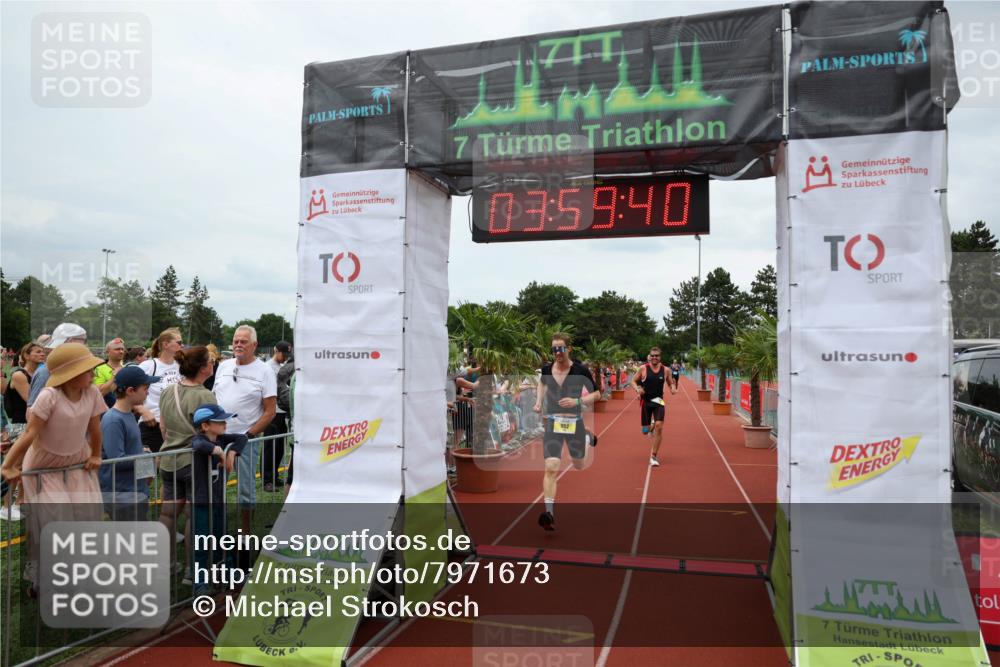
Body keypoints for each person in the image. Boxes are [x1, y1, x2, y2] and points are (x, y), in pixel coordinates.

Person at [0, 343, 106, 593]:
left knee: (87, 516)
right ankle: (44, 579)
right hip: (43, 467)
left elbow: (95, 429)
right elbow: (29, 434)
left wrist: (96, 455)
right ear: (71, 373)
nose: (93, 373)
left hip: (76, 462)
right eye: (88, 368)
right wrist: (8, 465)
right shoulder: (49, 396)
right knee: (53, 522)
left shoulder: (92, 393)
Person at [158, 346, 216, 570]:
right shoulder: (204, 395)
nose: (213, 364)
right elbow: (212, 432)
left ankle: (168, 563)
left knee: (167, 513)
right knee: (194, 515)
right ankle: (194, 570)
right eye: (210, 361)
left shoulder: (167, 391)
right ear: (203, 368)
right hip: (193, 462)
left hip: (169, 459)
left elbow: (163, 426)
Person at [532, 333, 598, 532]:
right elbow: (542, 383)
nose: (557, 352)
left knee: (578, 464)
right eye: (554, 349)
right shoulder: (546, 369)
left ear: (569, 348)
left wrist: (577, 401)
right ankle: (549, 513)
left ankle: (586, 437)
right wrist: (538, 402)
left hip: (574, 423)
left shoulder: (580, 370)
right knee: (551, 466)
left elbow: (597, 393)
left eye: (560, 348)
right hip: (553, 423)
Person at [213, 325, 276, 517]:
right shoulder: (223, 366)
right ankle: (218, 530)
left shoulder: (265, 371)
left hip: (245, 440)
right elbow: (214, 398)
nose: (238, 345)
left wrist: (249, 435)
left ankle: (245, 536)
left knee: (245, 492)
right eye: (235, 341)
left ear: (254, 345)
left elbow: (270, 411)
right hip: (218, 438)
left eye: (243, 342)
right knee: (214, 488)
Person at [190, 403, 248, 595]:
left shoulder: (222, 438)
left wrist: (231, 452)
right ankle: (200, 582)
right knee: (202, 541)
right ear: (205, 426)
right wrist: (218, 452)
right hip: (202, 500)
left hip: (218, 499)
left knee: (222, 537)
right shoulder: (200, 440)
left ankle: (228, 572)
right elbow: (198, 444)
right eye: (220, 421)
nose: (225, 423)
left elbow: (242, 438)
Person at [100, 365, 160, 521]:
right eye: (145, 388)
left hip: (134, 489)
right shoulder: (113, 420)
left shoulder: (128, 415)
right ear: (130, 391)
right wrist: (146, 456)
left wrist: (142, 452)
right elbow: (117, 459)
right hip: (122, 494)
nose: (148, 392)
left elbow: (130, 449)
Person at [136, 328, 183, 452]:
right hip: (152, 425)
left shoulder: (181, 366)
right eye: (179, 342)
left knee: (172, 469)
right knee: (150, 470)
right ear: (165, 344)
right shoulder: (149, 366)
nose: (181, 345)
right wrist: (142, 410)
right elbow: (125, 392)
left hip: (175, 427)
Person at [26, 323, 87, 410]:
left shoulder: (72, 369)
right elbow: (32, 410)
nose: (85, 345)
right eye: (84, 340)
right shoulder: (46, 372)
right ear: (71, 340)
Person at [632, 347, 668, 467]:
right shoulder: (643, 368)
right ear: (649, 356)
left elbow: (670, 382)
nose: (654, 357)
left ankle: (653, 456)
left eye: (656, 355)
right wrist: (638, 388)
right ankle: (650, 427)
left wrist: (673, 388)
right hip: (646, 401)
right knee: (645, 431)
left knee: (660, 426)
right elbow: (633, 381)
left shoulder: (666, 370)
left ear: (660, 357)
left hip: (659, 401)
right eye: (652, 355)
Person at [263, 341, 291, 491]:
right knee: (270, 447)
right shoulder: (268, 367)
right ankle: (267, 480)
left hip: (282, 412)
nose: (285, 358)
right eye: (283, 354)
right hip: (272, 412)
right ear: (276, 351)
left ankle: (274, 476)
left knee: (279, 446)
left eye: (287, 355)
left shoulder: (281, 368)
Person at [94, 338, 127, 408]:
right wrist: (115, 376)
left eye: (122, 349)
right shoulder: (99, 369)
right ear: (107, 352)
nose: (121, 352)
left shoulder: (126, 368)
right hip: (106, 411)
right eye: (117, 349)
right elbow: (99, 393)